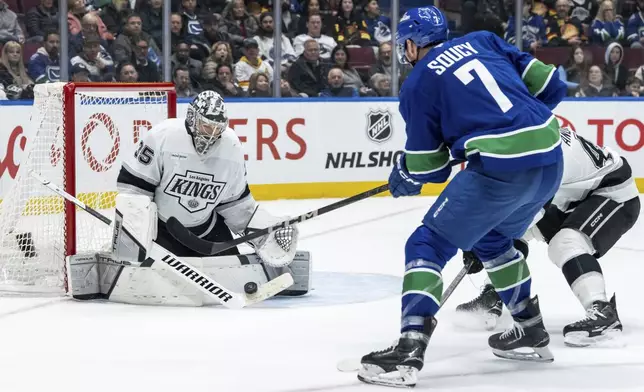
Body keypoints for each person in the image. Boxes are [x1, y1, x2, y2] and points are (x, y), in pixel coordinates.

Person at [357, 6, 567, 388]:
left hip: (500, 170)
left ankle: (409, 348)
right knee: (493, 239)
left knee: (427, 243)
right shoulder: (483, 40)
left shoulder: (418, 83)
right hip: (550, 160)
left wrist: (405, 172)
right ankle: (530, 329)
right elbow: (554, 84)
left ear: (412, 43)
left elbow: (429, 169)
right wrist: (518, 130)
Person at [455, 127, 640, 347]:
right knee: (512, 235)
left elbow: (521, 216)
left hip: (613, 193)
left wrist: (483, 243)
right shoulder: (527, 140)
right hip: (571, 195)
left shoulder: (545, 156)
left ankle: (603, 313)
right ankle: (494, 294)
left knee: (565, 243)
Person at [113, 91, 309, 296]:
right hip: (161, 232)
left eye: (218, 129)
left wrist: (262, 232)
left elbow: (236, 204)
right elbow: (133, 189)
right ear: (192, 118)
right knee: (150, 278)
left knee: (237, 272)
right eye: (207, 126)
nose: (211, 133)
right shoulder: (163, 136)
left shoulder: (231, 146)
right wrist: (134, 236)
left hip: (207, 233)